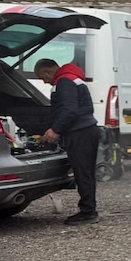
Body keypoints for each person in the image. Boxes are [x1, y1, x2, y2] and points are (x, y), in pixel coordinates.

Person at [34, 58, 100, 225]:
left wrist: (56, 130)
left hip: (80, 132)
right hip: (88, 130)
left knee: (82, 172)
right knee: (87, 172)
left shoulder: (64, 81)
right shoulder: (72, 78)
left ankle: (88, 212)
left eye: (43, 77)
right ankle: (89, 208)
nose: (45, 82)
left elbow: (69, 110)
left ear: (48, 72)